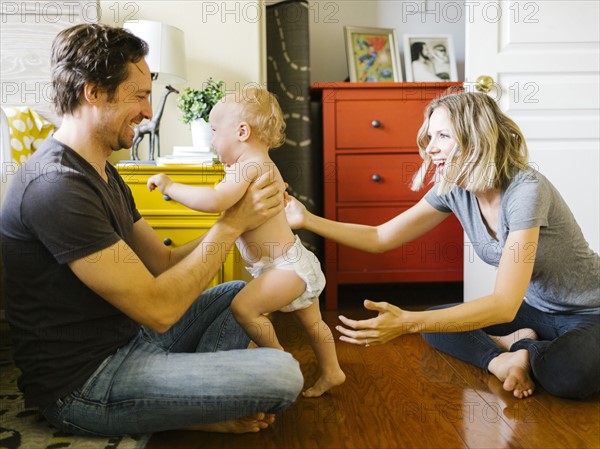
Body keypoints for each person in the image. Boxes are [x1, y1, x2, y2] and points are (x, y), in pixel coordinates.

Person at [0, 23, 304, 437]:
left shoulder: (102, 170)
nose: (148, 111)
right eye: (140, 95)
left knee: (238, 292)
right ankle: (193, 410)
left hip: (130, 337)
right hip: (86, 384)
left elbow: (162, 262)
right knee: (282, 374)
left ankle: (180, 396)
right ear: (93, 91)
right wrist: (233, 224)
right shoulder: (55, 185)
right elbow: (159, 311)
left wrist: (243, 221)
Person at [284, 91, 600, 400]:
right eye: (430, 136)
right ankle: (501, 360)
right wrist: (308, 219)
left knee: (566, 375)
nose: (431, 148)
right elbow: (380, 238)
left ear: (476, 138)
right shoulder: (453, 188)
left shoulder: (526, 191)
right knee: (437, 321)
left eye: (443, 136)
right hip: (537, 312)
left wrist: (405, 322)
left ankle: (525, 350)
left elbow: (504, 303)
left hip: (590, 311)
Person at [146, 86, 345, 398]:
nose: (211, 140)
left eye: (213, 131)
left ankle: (280, 360)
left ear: (242, 131)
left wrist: (171, 185)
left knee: (245, 308)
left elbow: (214, 200)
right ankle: (332, 370)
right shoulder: (259, 164)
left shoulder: (248, 166)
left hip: (285, 267)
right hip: (290, 261)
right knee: (313, 323)